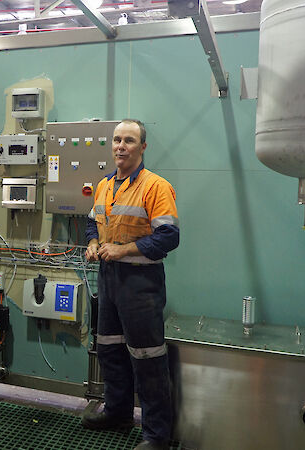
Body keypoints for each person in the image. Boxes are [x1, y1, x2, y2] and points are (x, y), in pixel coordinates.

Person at [81, 119, 180, 450]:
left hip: (140, 284)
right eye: (116, 140)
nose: (120, 146)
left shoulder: (155, 187)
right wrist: (93, 244)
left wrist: (121, 249)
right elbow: (93, 224)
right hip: (109, 280)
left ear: (142, 147)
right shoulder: (104, 185)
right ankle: (118, 412)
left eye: (129, 140)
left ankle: (156, 435)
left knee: (148, 357)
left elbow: (168, 237)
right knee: (109, 349)